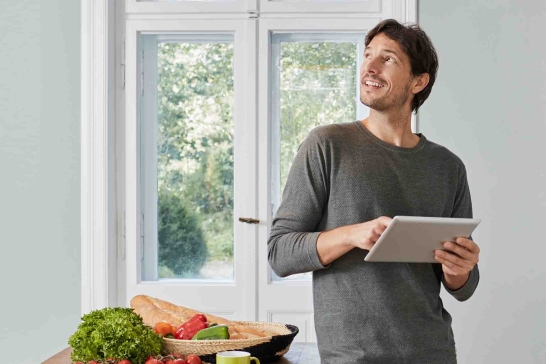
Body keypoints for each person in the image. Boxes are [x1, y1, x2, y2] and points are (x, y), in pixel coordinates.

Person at [268, 19, 481, 364]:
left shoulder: (448, 166)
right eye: (368, 55)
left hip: (433, 352)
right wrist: (353, 234)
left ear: (418, 81)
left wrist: (460, 270)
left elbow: (462, 287)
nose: (369, 66)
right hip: (352, 357)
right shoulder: (327, 145)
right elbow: (280, 253)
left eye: (388, 59)